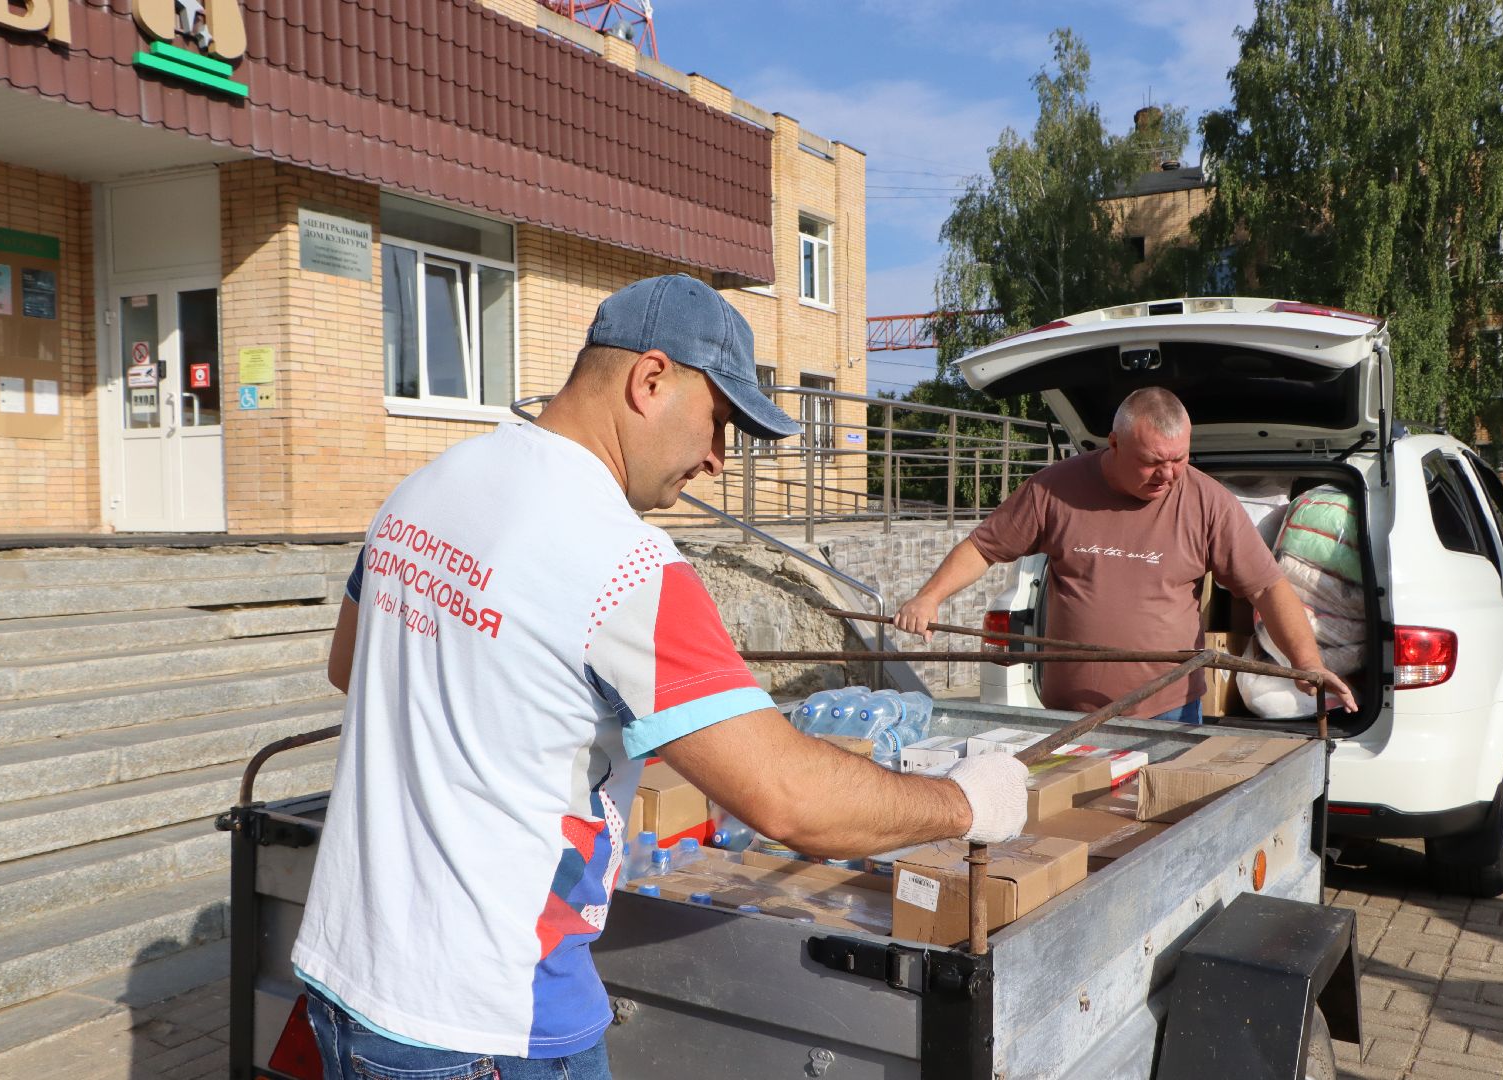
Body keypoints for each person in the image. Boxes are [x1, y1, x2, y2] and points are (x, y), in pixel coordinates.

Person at [292, 274, 1029, 1080]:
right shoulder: (622, 562)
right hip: (489, 1021)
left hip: (349, 982)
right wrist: (966, 802)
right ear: (651, 380)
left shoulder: (427, 487)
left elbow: (348, 667)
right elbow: (789, 797)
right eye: (720, 422)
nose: (717, 458)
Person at [895, 387, 1357, 723]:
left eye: (1179, 459)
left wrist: (1307, 664)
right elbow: (983, 547)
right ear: (1113, 445)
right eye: (1153, 461)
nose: (1168, 474)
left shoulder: (1208, 501)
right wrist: (928, 597)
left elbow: (1266, 586)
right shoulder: (1054, 489)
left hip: (1169, 711)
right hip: (1069, 716)